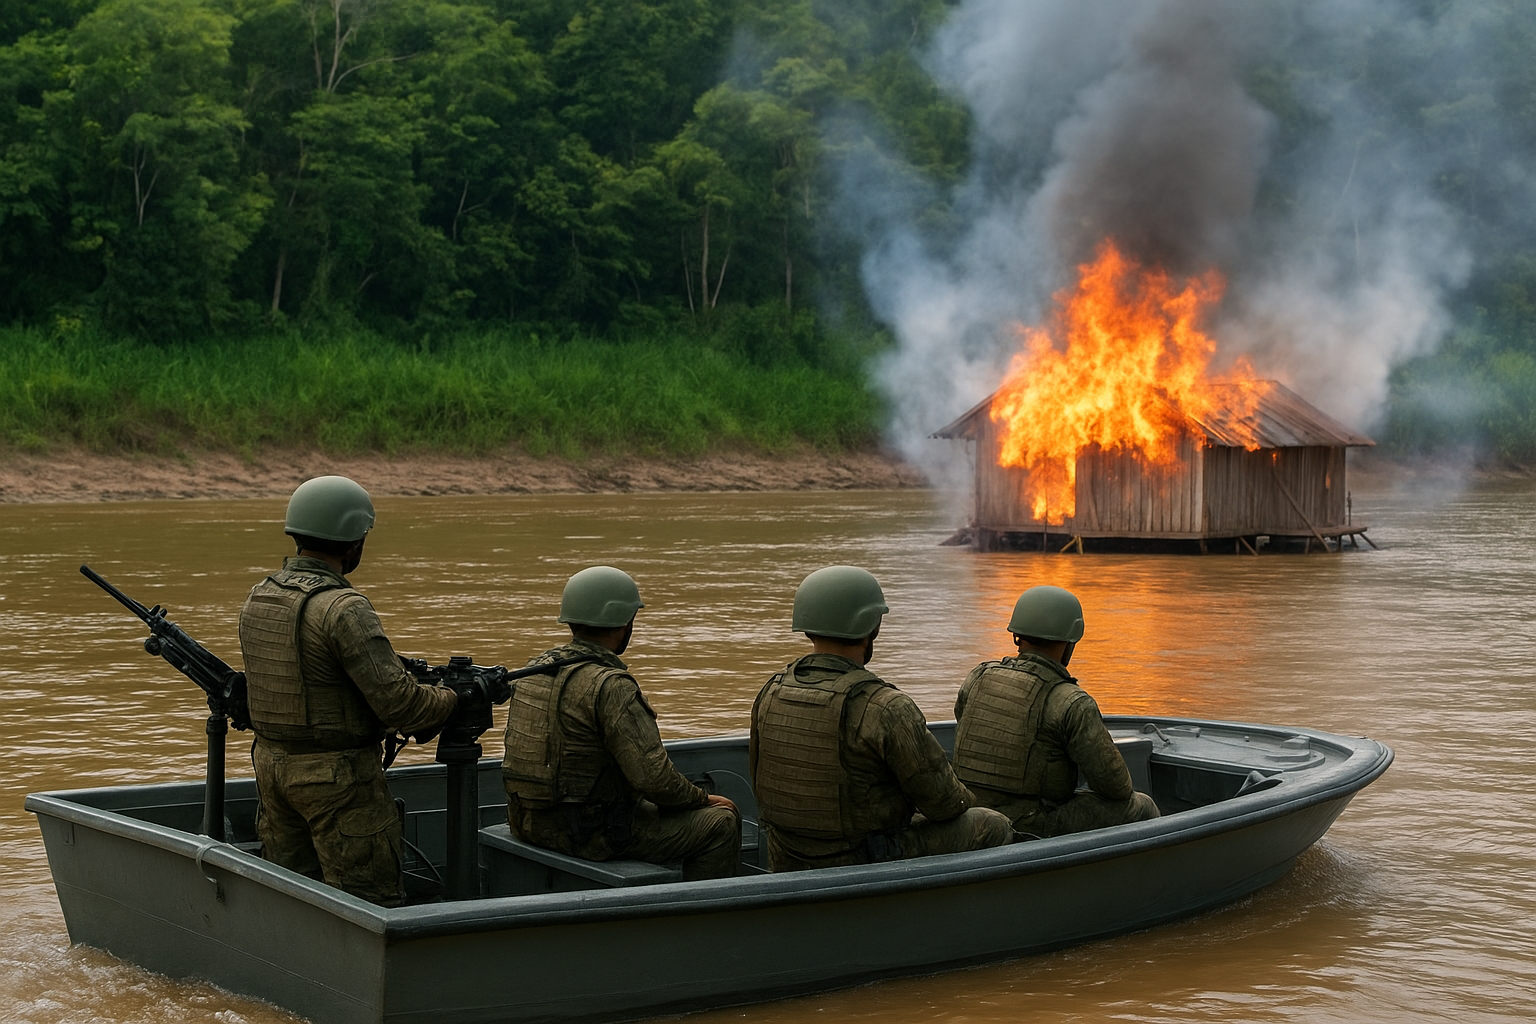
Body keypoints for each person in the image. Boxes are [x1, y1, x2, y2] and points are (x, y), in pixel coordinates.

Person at [238, 475, 458, 906]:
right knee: (369, 904)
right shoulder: (344, 608)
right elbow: (403, 706)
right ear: (354, 540)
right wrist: (454, 697)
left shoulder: (260, 596)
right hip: (338, 782)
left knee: (290, 902)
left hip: (272, 771)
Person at [749, 565, 1013, 871]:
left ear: (807, 625)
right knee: (991, 824)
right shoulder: (886, 707)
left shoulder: (770, 692)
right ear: (871, 627)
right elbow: (944, 804)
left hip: (787, 856)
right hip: (860, 859)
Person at [501, 566, 741, 881]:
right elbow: (656, 782)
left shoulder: (533, 671)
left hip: (528, 824)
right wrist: (704, 799)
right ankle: (702, 922)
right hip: (589, 836)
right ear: (625, 622)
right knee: (721, 823)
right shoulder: (611, 685)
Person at [952, 585, 1159, 838]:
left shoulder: (977, 677)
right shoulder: (1072, 702)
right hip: (1030, 825)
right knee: (1142, 806)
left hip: (970, 816)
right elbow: (1116, 787)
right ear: (1070, 640)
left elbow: (963, 720)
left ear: (1017, 634)